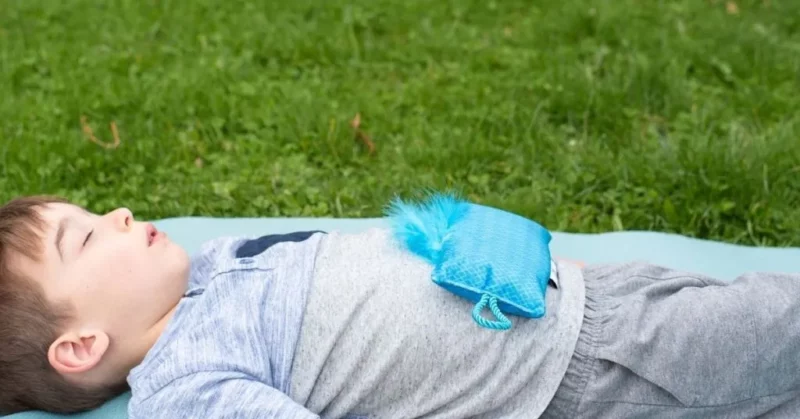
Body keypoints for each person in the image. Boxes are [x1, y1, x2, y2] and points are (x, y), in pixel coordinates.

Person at [1, 195, 799, 419]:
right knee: (778, 325)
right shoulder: (185, 383)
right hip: (583, 365)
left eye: (94, 210)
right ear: (79, 345)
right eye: (83, 239)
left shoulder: (215, 269)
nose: (118, 219)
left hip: (583, 291)